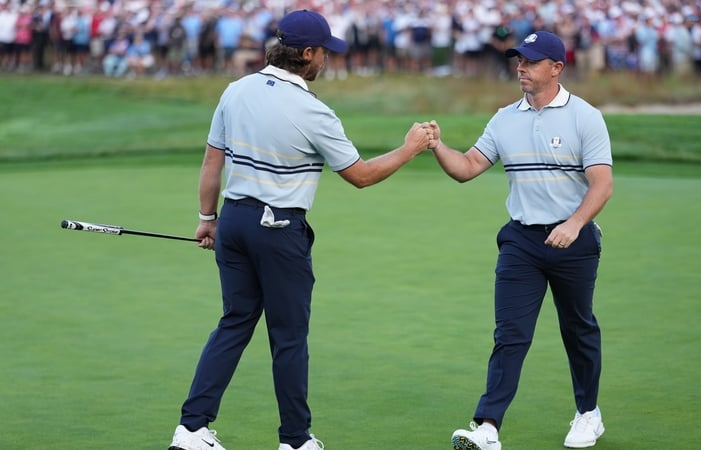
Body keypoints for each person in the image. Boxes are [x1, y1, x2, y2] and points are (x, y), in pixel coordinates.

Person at [167, 9, 434, 450]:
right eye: (324, 52)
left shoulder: (236, 91)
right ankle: (294, 439)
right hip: (279, 228)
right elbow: (361, 175)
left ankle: (191, 428)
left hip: (233, 220)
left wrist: (206, 218)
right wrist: (410, 148)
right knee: (288, 336)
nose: (326, 60)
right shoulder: (314, 111)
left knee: (234, 323)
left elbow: (213, 160)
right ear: (306, 54)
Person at [427, 31, 613, 449]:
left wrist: (575, 223)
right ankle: (488, 427)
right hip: (521, 242)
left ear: (556, 68)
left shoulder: (586, 117)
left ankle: (588, 414)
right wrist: (437, 146)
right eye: (518, 61)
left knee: (577, 328)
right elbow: (467, 167)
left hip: (575, 242)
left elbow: (601, 186)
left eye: (530, 61)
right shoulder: (504, 118)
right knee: (510, 334)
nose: (521, 68)